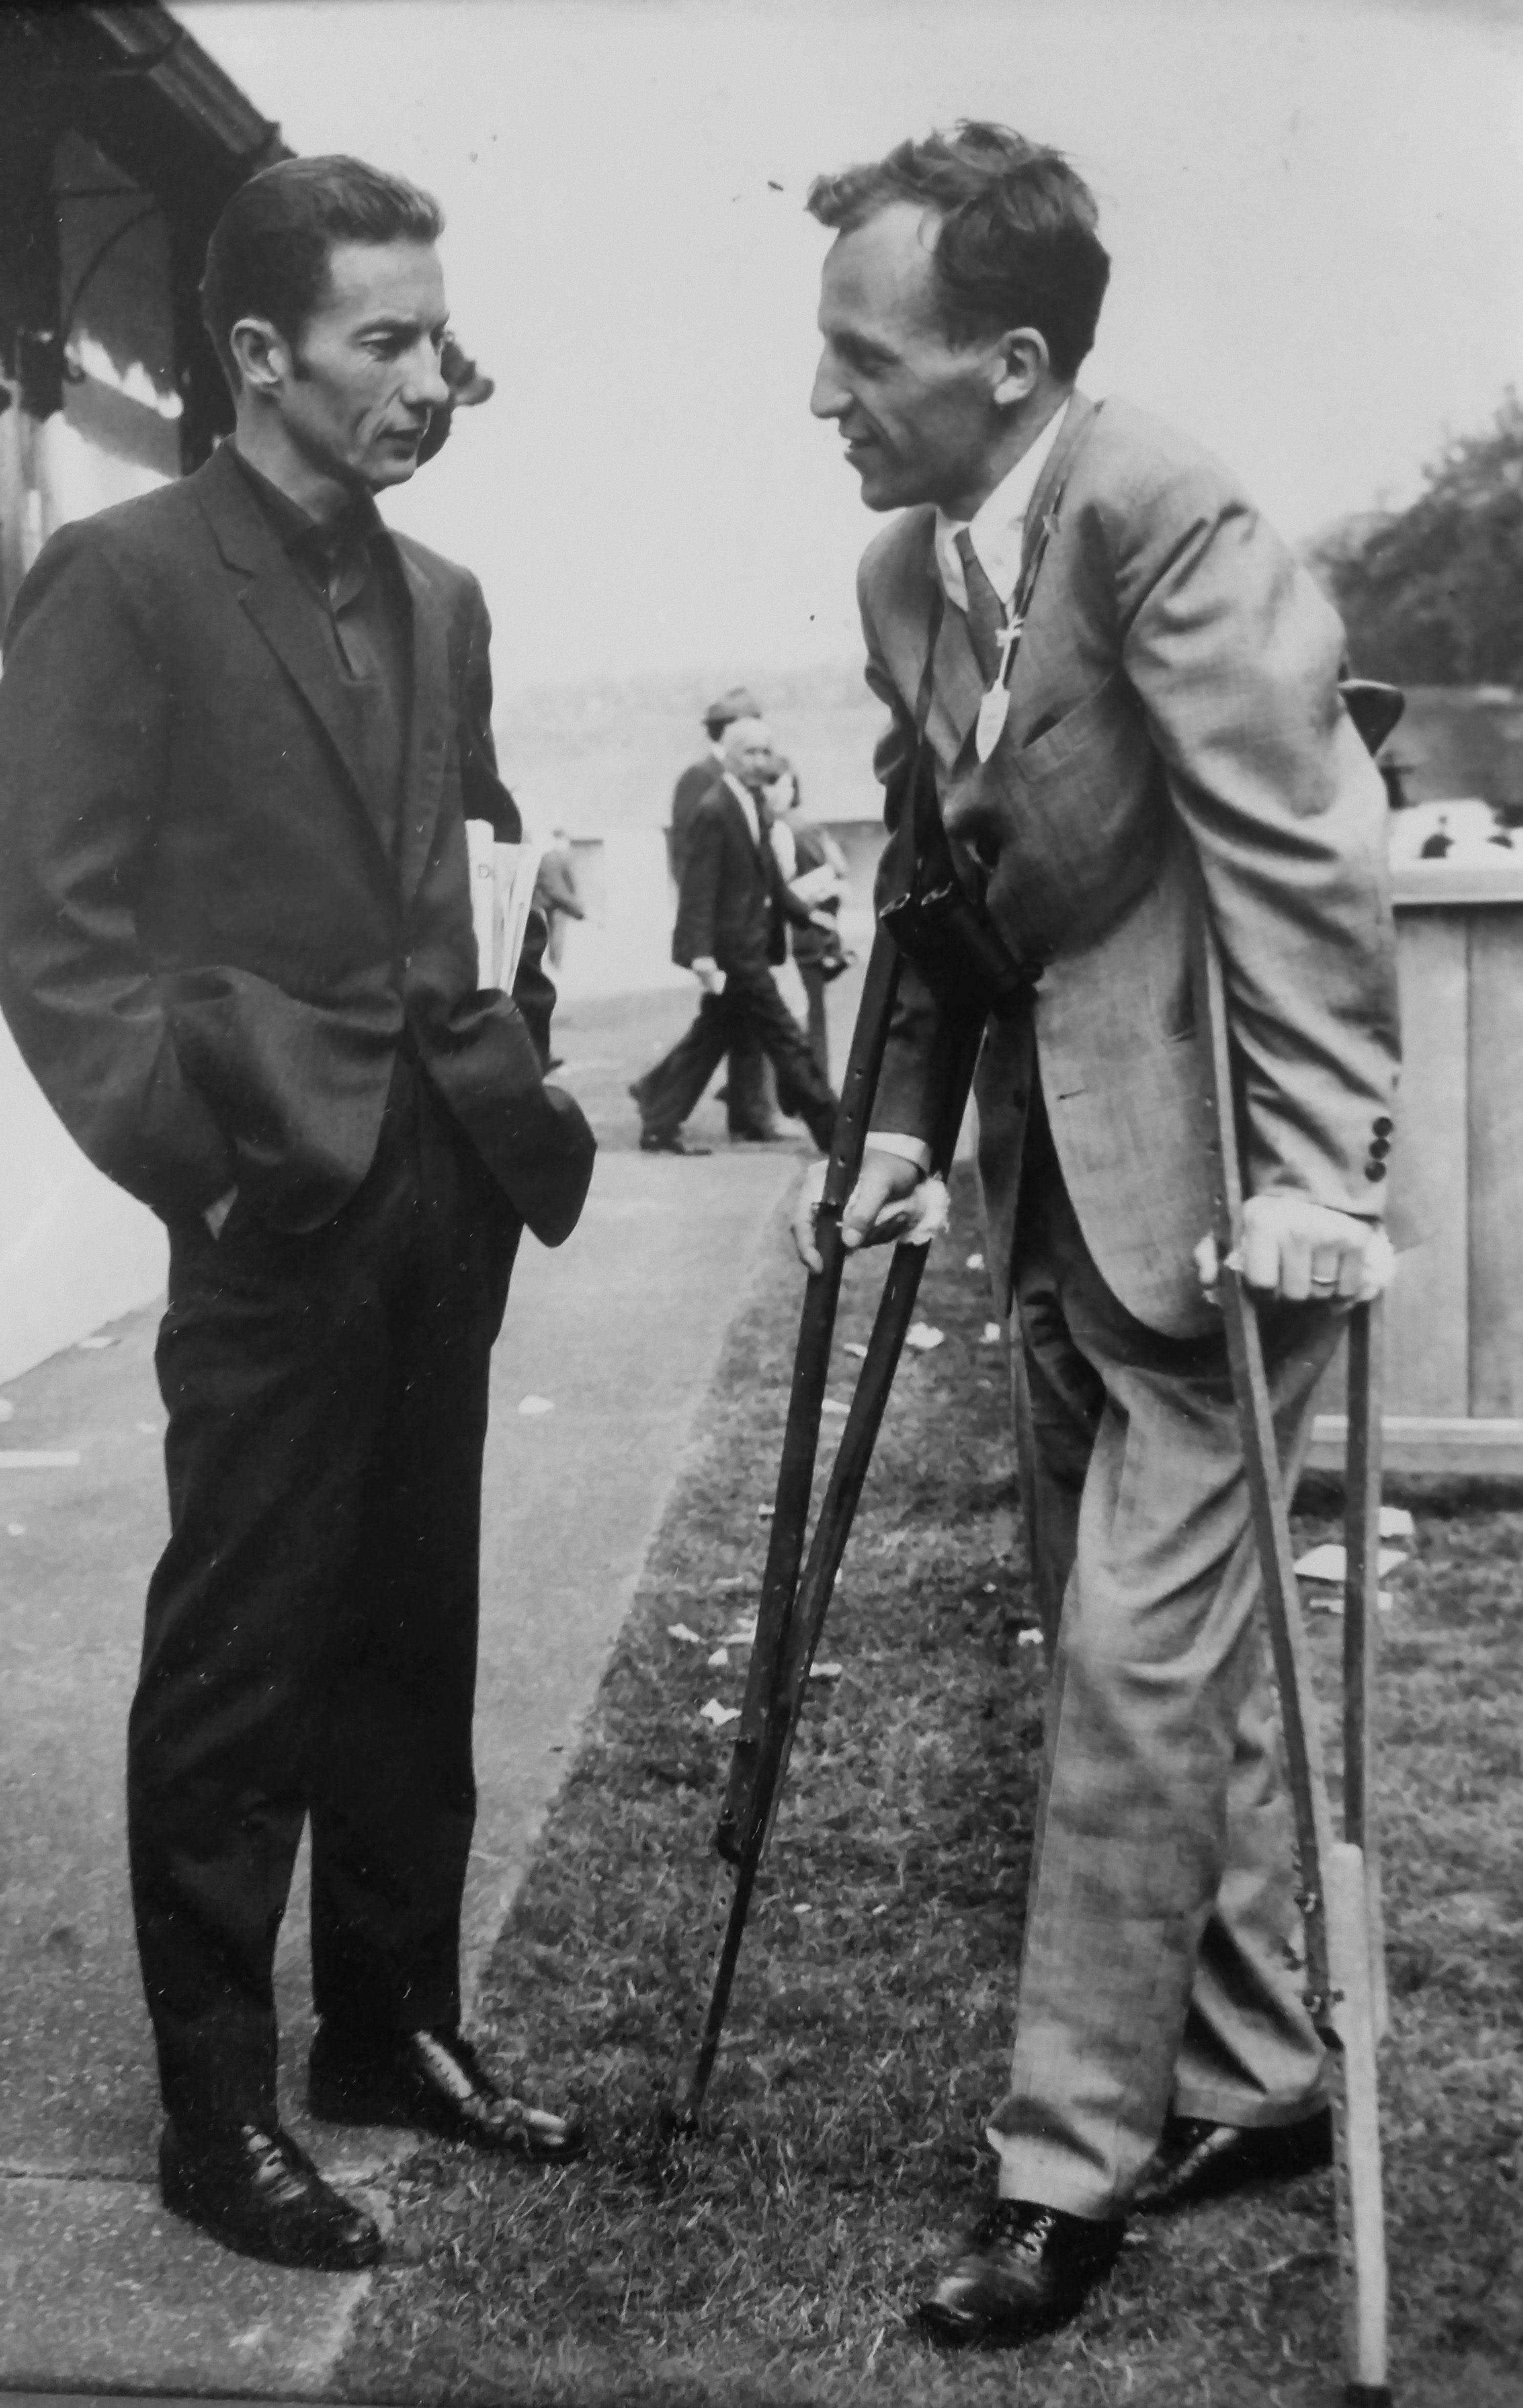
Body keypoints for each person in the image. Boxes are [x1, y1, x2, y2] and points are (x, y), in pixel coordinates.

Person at [795, 123, 1400, 2346]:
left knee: (1132, 1676)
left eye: (861, 359)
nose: (823, 399)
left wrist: (1319, 1171)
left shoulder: (1155, 503)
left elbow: (1297, 836)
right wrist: (888, 1123)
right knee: (1136, 1651)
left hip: (1228, 1201)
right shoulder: (899, 574)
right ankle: (1250, 2068)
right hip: (1049, 1178)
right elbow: (940, 879)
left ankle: (1062, 2170)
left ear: (1010, 359)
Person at [0, 156, 597, 2274]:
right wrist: (213, 1160)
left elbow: (456, 856)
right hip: (268, 1197)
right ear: (257, 354)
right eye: (386, 339)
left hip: (443, 1181)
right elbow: (57, 941)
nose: (431, 375)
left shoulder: (443, 597)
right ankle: (214, 2103)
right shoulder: (124, 578)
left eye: (437, 334)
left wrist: (508, 1019)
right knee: (244, 1651)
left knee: (407, 1622)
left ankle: (389, 2020)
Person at [631, 715, 839, 1156]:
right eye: (751, 752)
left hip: (749, 946)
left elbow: (767, 879)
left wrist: (807, 917)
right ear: (730, 755)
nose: (761, 760)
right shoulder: (715, 808)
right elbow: (698, 887)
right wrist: (701, 954)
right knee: (786, 1038)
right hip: (734, 954)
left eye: (767, 751)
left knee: (710, 1037)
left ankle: (658, 1117)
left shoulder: (752, 803)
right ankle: (836, 1133)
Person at [670, 687, 779, 1140]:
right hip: (725, 931)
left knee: (728, 1025)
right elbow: (689, 861)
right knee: (740, 1025)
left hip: (748, 927)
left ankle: (746, 1111)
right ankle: (752, 1113)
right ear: (728, 730)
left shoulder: (742, 774)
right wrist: (705, 941)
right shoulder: (701, 778)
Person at [765, 762, 851, 1082]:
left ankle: (809, 1086)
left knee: (799, 1016)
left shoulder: (789, 828)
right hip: (807, 928)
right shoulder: (805, 828)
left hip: (799, 931)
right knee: (806, 1016)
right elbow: (838, 871)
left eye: (784, 785)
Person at [532, 827, 586, 969]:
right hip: (559, 904)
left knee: (553, 932)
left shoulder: (548, 858)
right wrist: (575, 905)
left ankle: (555, 964)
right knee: (557, 933)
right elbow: (559, 887)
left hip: (550, 902)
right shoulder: (557, 859)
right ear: (559, 841)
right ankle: (556, 965)